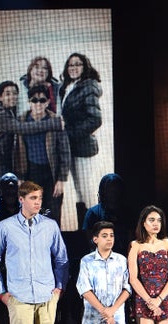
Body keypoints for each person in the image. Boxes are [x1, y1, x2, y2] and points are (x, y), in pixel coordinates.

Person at [0, 180, 69, 324]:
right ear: (21, 199)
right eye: (33, 198)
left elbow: (62, 260)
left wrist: (59, 288)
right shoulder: (6, 227)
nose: (38, 202)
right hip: (19, 295)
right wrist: (2, 292)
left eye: (39, 198)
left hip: (46, 294)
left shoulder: (50, 226)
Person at [0, 81, 63, 199]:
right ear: (0, 97)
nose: (12, 96)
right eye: (7, 94)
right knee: (1, 198)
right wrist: (54, 123)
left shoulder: (8, 110)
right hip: (0, 163)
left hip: (8, 161)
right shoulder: (1, 114)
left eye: (14, 93)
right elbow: (22, 128)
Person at [13, 85, 71, 224]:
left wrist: (61, 179)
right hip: (30, 172)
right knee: (31, 212)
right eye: (34, 100)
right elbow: (16, 151)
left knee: (52, 212)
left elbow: (65, 151)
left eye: (42, 100)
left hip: (51, 173)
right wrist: (20, 176)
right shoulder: (21, 121)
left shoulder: (55, 120)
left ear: (47, 102)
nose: (38, 103)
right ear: (29, 102)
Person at [76, 221, 132, 324]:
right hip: (94, 318)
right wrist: (104, 311)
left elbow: (128, 288)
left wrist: (112, 310)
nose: (109, 239)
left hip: (116, 317)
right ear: (95, 239)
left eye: (111, 236)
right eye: (105, 236)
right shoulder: (86, 261)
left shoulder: (121, 260)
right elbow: (84, 289)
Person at [58, 52, 103, 217]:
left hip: (84, 148)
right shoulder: (68, 86)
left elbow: (95, 119)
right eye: (71, 65)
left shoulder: (88, 86)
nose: (74, 68)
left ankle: (96, 228)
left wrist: (68, 135)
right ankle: (82, 231)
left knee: (87, 191)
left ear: (85, 67)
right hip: (72, 147)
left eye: (78, 64)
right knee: (78, 192)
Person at [82, 173, 133, 256]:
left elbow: (131, 240)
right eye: (110, 190)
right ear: (103, 191)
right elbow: (90, 240)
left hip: (123, 257)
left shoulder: (128, 213)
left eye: (115, 190)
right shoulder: (93, 213)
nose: (113, 194)